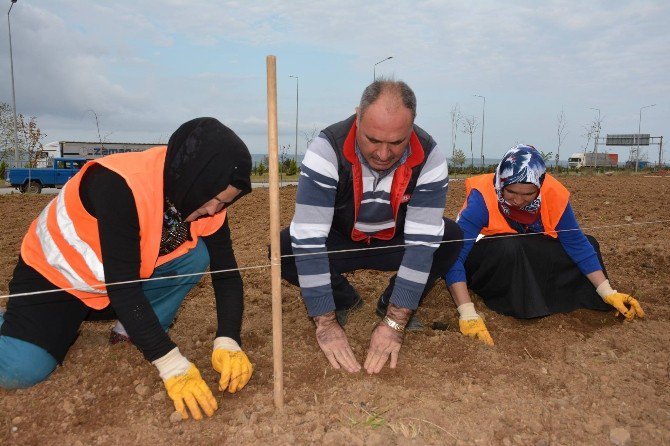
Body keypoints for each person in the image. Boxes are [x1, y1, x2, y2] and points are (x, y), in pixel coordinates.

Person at [0, 117, 255, 421]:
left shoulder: (202, 200)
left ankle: (134, 330)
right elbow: (123, 288)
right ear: (197, 177)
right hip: (58, 280)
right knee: (22, 370)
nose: (214, 210)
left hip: (115, 287)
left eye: (224, 203)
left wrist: (228, 339)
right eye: (214, 199)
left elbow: (226, 274)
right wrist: (172, 364)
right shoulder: (120, 184)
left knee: (196, 256)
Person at [280, 79, 463, 374]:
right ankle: (342, 299)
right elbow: (310, 239)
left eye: (396, 142)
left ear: (412, 127)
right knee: (285, 246)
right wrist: (325, 322)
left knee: (449, 236)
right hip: (338, 240)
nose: (382, 154)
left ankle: (388, 302)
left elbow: (421, 245)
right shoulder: (326, 149)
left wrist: (394, 322)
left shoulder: (430, 157)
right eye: (373, 140)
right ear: (358, 116)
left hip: (394, 243)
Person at [445, 144, 644, 345]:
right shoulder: (482, 196)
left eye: (528, 194)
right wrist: (467, 312)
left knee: (590, 243)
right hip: (487, 261)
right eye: (511, 191)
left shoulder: (553, 193)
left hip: (523, 252)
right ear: (500, 183)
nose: (518, 200)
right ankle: (517, 302)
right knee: (510, 247)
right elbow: (455, 255)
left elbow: (576, 243)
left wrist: (607, 292)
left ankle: (566, 299)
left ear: (540, 187)